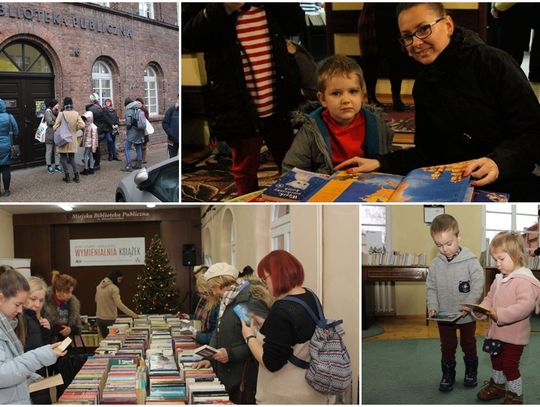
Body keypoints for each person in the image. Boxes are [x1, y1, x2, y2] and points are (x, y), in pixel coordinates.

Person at [335, 3, 540, 202]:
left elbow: (533, 132)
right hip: (452, 185)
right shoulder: (424, 85)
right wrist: (380, 162)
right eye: (407, 36)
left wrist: (498, 163)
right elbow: (427, 153)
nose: (416, 42)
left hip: (507, 179)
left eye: (423, 29)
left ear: (448, 25)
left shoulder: (493, 63)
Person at [183, 3, 306, 196]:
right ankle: (247, 202)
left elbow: (296, 23)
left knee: (290, 160)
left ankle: (291, 200)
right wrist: (224, 7)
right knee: (244, 165)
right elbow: (189, 36)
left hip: (278, 93)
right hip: (235, 99)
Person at [239, 250, 334, 404]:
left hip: (287, 394)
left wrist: (249, 336)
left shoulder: (282, 307)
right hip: (314, 391)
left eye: (265, 279)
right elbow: (296, 331)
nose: (265, 284)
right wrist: (266, 323)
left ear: (277, 275)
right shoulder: (309, 296)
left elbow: (271, 362)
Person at [282, 55, 393, 174]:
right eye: (336, 93)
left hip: (367, 184)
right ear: (322, 99)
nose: (346, 100)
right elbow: (292, 169)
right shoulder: (311, 129)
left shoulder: (377, 125)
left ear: (362, 95)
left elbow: (386, 162)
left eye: (353, 91)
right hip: (325, 186)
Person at [470, 231, 540, 404]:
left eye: (501, 259)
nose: (497, 263)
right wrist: (481, 310)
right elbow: (489, 298)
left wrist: (499, 314)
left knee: (509, 365)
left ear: (516, 255)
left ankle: (516, 396)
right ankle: (498, 387)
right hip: (496, 333)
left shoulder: (524, 281)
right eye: (495, 259)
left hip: (514, 336)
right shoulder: (498, 278)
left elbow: (525, 307)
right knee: (496, 361)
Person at [192, 262, 271, 404]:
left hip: (240, 378)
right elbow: (218, 331)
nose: (213, 293)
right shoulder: (227, 300)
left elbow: (257, 342)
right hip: (225, 374)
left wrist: (230, 354)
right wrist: (209, 358)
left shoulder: (246, 303)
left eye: (213, 288)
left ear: (220, 282)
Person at [426, 214, 484, 392]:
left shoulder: (471, 262)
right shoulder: (436, 265)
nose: (444, 249)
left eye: (448, 243)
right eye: (439, 245)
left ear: (459, 237)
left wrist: (470, 303)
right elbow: (431, 288)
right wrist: (433, 306)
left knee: (468, 344)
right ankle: (448, 374)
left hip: (466, 315)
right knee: (447, 347)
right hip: (444, 316)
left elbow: (478, 285)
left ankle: (471, 372)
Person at [0, 266, 65, 404]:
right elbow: (3, 374)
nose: (20, 310)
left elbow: (14, 362)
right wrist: (41, 356)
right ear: (1, 298)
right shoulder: (14, 323)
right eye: (17, 304)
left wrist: (31, 376)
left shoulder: (9, 324)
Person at [358, 2, 406, 110]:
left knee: (397, 61)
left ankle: (397, 99)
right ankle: (372, 98)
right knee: (371, 62)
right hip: (373, 18)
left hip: (395, 17)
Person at [23, 276, 53, 404]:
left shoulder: (36, 319)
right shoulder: (22, 320)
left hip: (38, 376)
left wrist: (46, 332)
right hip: (30, 378)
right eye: (33, 299)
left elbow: (40, 347)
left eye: (41, 300)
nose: (37, 304)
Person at [41, 270, 82, 343]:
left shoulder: (73, 303)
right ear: (58, 291)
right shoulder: (43, 301)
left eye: (71, 292)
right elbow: (40, 328)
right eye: (68, 292)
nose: (71, 295)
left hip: (66, 344)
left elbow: (78, 327)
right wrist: (57, 330)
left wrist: (70, 330)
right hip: (49, 345)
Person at [95, 270, 138, 338]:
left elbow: (96, 300)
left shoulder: (99, 286)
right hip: (110, 319)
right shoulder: (114, 288)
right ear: (115, 277)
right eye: (119, 279)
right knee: (113, 340)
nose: (120, 281)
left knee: (105, 341)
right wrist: (133, 314)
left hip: (99, 318)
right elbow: (119, 304)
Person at [53, 97, 85, 184]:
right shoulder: (76, 113)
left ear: (64, 104)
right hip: (72, 139)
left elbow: (54, 127)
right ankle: (76, 176)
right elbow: (82, 125)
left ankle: (67, 176)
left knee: (63, 158)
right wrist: (74, 129)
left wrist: (61, 129)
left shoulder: (61, 114)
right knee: (72, 158)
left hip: (63, 140)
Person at [87, 93, 114, 171]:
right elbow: (105, 118)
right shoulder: (100, 107)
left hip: (94, 130)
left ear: (92, 100)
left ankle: (95, 163)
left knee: (94, 147)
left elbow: (88, 120)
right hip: (100, 129)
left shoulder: (92, 109)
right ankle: (94, 162)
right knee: (96, 147)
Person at [0, 98, 19, 197]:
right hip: (6, 145)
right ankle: (6, 191)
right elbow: (16, 130)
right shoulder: (9, 117)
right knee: (6, 168)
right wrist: (12, 138)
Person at [122, 98, 146, 172]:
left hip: (132, 132)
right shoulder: (139, 109)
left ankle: (129, 165)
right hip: (140, 132)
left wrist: (128, 129)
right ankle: (139, 164)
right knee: (138, 147)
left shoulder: (129, 111)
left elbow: (128, 124)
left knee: (127, 148)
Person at [43, 98, 63, 174]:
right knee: (49, 151)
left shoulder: (57, 112)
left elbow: (61, 120)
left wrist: (58, 113)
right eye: (57, 104)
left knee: (57, 151)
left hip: (57, 134)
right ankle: (49, 166)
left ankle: (57, 165)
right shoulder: (47, 112)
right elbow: (50, 122)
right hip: (50, 134)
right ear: (53, 105)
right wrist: (58, 121)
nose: (58, 105)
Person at [80, 111, 98, 176]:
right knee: (90, 155)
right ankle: (91, 168)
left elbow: (94, 138)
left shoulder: (93, 127)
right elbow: (84, 135)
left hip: (89, 144)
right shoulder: (86, 126)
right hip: (87, 143)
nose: (85, 120)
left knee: (85, 155)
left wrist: (94, 148)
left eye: (86, 119)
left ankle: (86, 169)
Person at [135, 98, 150, 164]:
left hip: (144, 130)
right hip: (138, 130)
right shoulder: (136, 110)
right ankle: (139, 156)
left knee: (144, 145)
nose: (138, 104)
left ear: (141, 103)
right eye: (136, 103)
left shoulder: (144, 110)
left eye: (139, 103)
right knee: (138, 144)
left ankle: (144, 159)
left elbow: (145, 120)